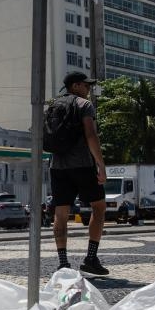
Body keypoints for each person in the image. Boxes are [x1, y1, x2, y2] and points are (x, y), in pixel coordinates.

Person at [49, 70, 108, 276]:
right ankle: (91, 258)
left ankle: (63, 262)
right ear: (75, 86)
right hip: (82, 164)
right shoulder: (85, 105)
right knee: (99, 207)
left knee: (61, 213)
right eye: (86, 85)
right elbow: (91, 134)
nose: (89, 89)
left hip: (57, 165)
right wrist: (100, 164)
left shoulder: (53, 105)